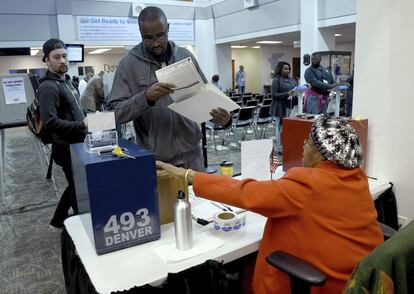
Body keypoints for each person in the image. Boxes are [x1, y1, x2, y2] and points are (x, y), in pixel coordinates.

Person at [157, 115, 383, 294]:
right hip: (364, 280)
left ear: (323, 154)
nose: (303, 147)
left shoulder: (307, 185)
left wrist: (188, 175)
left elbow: (245, 193)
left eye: (308, 142)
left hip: (324, 286)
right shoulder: (357, 179)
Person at [107, 6, 231, 171]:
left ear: (168, 28)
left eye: (160, 35)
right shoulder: (128, 65)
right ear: (140, 33)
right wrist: (146, 97)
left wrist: (223, 118)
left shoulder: (185, 56)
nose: (155, 43)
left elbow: (206, 99)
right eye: (148, 38)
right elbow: (114, 113)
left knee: (197, 198)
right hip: (158, 163)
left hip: (193, 157)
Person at [38, 38, 88, 228]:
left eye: (65, 56)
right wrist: (80, 124)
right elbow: (50, 121)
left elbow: (74, 109)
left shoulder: (65, 81)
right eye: (56, 57)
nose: (62, 61)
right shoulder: (48, 87)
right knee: (77, 186)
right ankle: (77, 224)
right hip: (65, 147)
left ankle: (59, 219)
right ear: (47, 60)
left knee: (76, 184)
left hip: (77, 143)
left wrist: (87, 118)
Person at [270, 61, 297, 153]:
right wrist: (287, 93)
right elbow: (274, 95)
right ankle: (280, 147)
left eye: (288, 69)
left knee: (288, 128)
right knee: (279, 127)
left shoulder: (291, 79)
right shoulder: (276, 80)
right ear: (280, 70)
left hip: (290, 106)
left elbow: (294, 89)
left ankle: (287, 145)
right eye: (285, 69)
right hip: (279, 107)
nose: (287, 71)